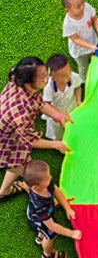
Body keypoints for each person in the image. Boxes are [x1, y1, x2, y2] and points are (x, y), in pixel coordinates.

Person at [0, 57, 71, 201]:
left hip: (13, 138)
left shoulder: (20, 82)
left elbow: (39, 102)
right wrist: (55, 144)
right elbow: (30, 140)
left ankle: (3, 192)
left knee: (20, 163)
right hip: (5, 145)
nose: (48, 78)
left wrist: (58, 115)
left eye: (46, 73)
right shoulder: (19, 113)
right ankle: (48, 202)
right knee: (35, 174)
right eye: (43, 77)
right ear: (28, 82)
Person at [22, 159, 81, 258]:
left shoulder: (45, 184)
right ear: (36, 187)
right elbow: (52, 226)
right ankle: (47, 254)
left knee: (45, 232)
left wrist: (67, 208)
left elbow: (56, 191)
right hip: (39, 219)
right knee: (50, 235)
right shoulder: (39, 204)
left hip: (47, 212)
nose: (50, 178)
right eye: (47, 178)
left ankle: (40, 236)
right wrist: (71, 233)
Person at [61, 0, 98, 82]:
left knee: (95, 57)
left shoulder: (86, 8)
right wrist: (90, 46)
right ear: (67, 10)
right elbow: (76, 40)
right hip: (79, 51)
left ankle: (95, 67)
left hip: (92, 42)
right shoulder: (68, 23)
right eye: (78, 6)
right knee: (83, 67)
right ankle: (84, 80)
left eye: (83, 2)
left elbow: (95, 19)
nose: (83, 6)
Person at [42, 54, 82, 141]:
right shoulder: (49, 88)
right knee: (58, 132)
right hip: (56, 116)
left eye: (69, 71)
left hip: (71, 109)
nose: (68, 76)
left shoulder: (73, 77)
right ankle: (58, 141)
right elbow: (46, 104)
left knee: (71, 126)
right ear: (53, 78)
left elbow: (77, 87)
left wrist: (78, 101)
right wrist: (59, 114)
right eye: (64, 75)